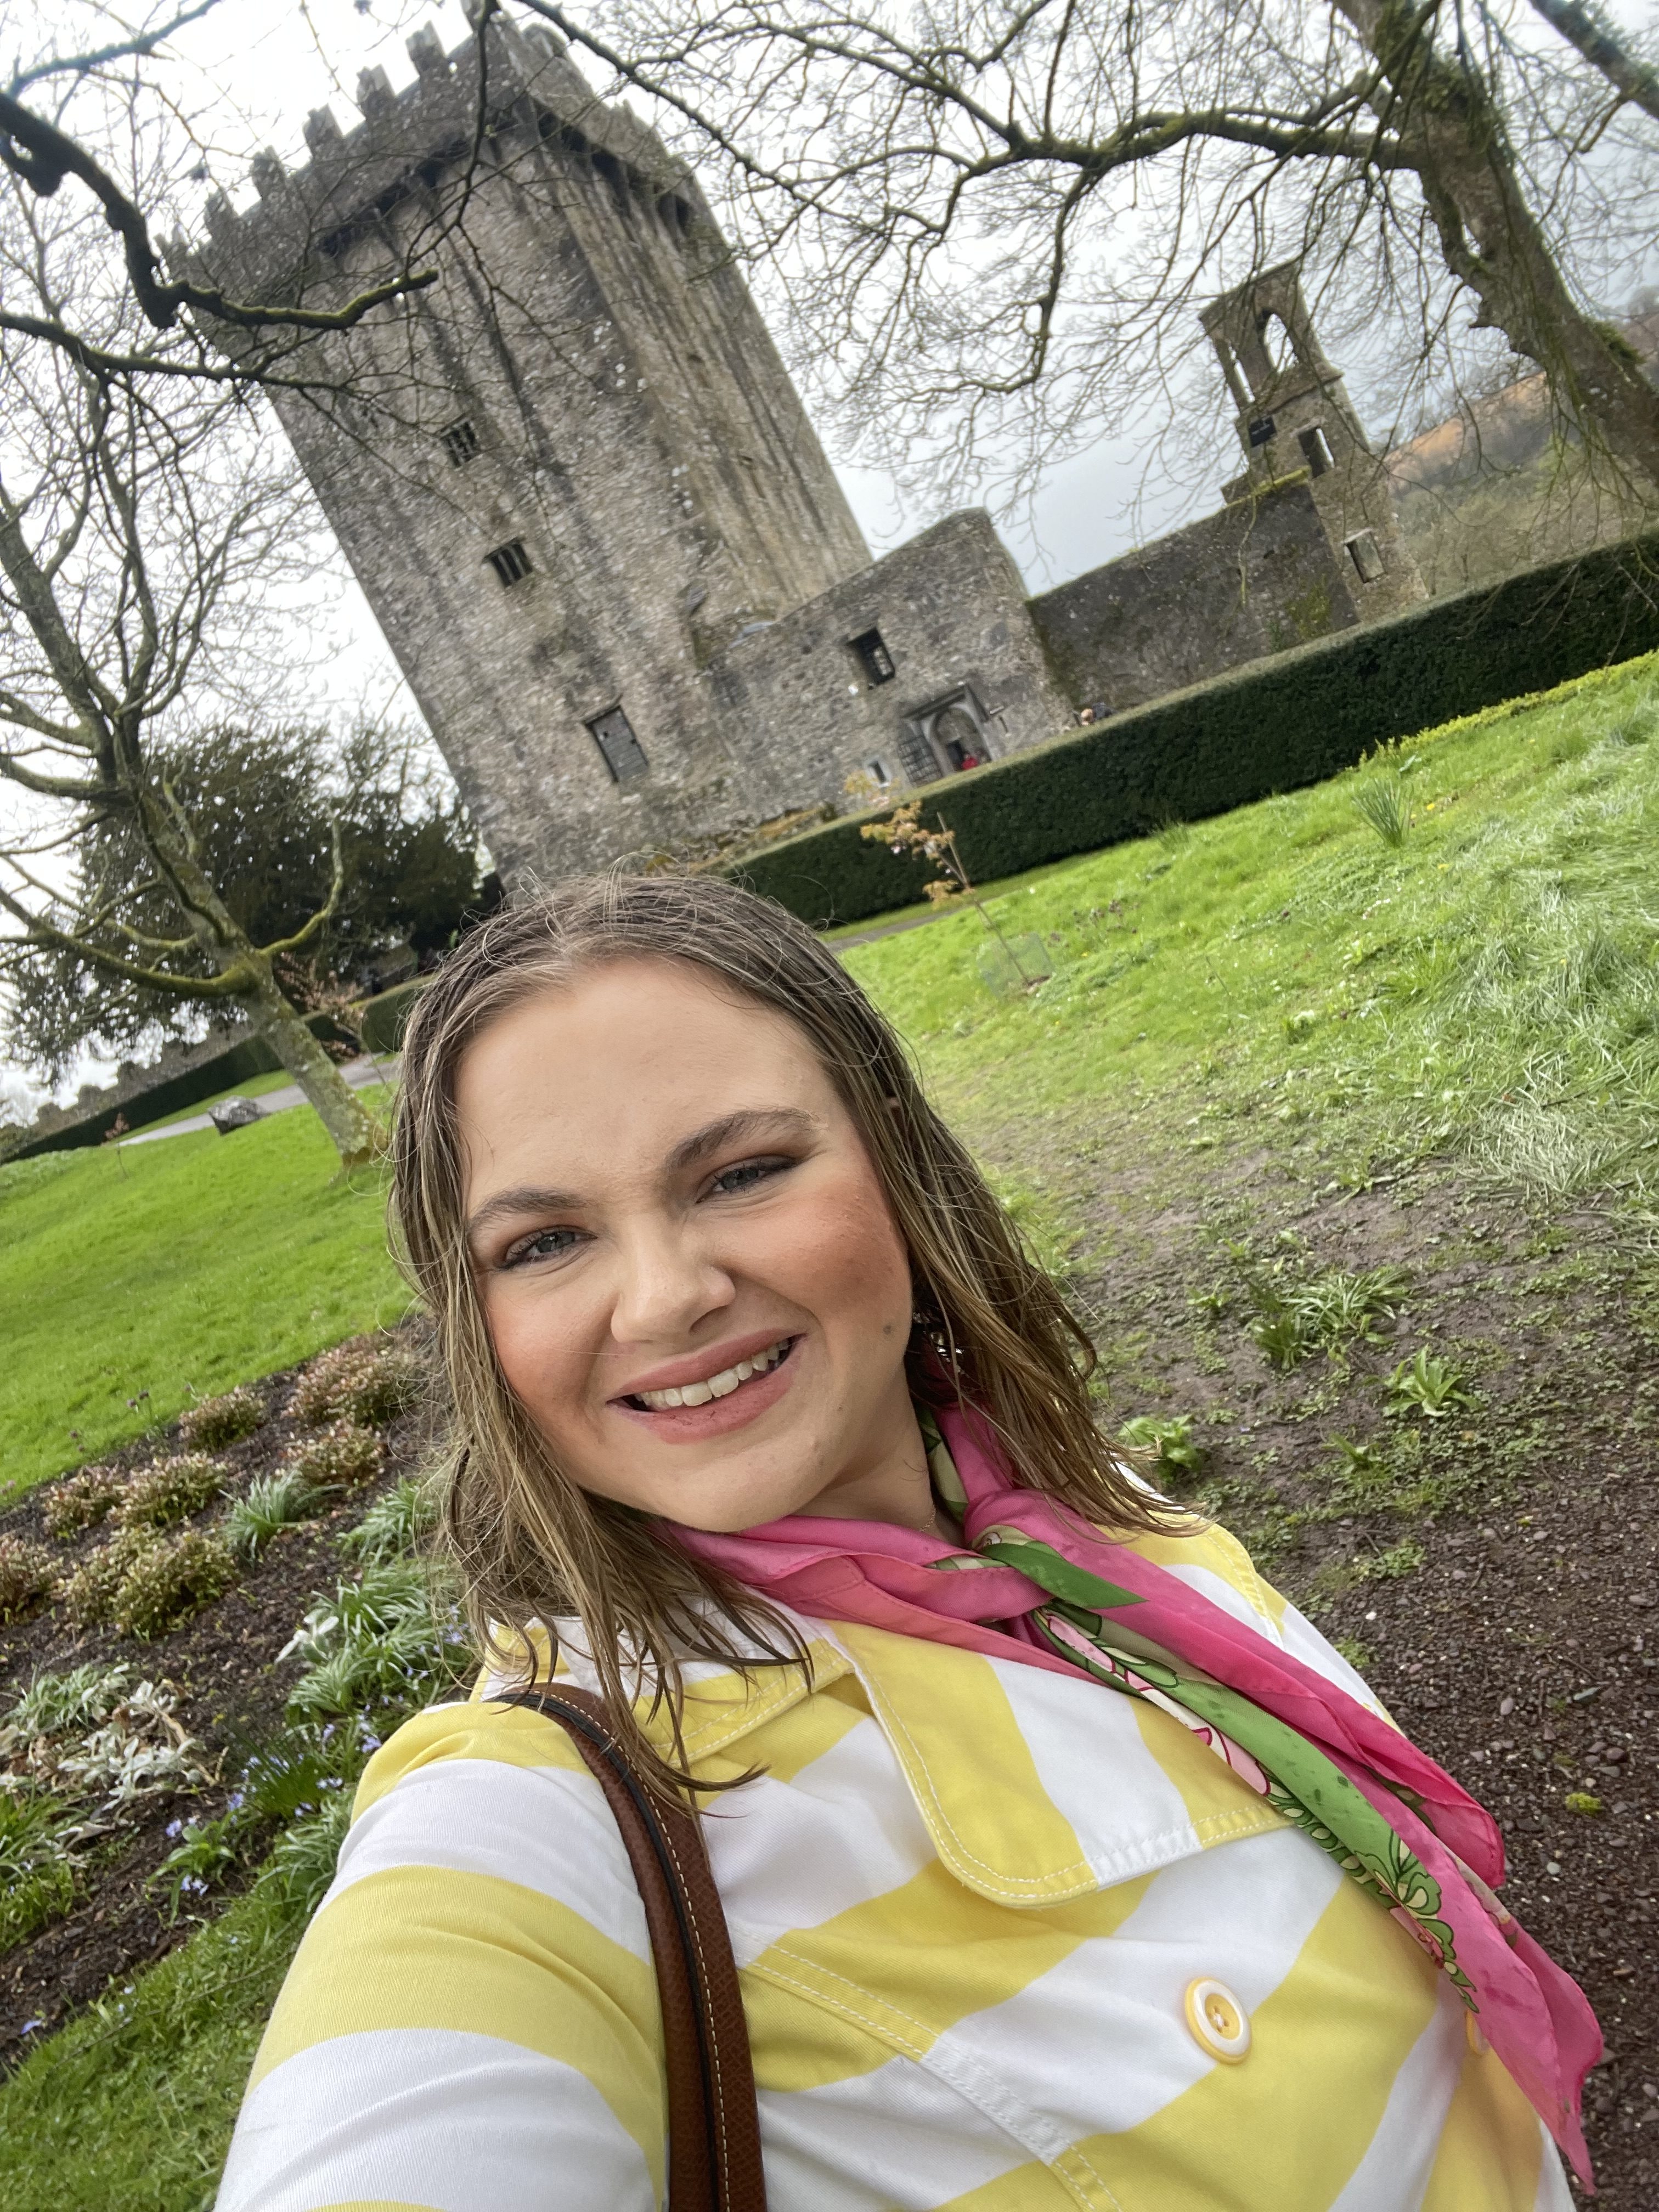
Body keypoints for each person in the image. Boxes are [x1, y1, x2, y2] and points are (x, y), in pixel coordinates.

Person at [216, 874, 1597, 2211]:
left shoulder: (1083, 1516)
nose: (665, 1298)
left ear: (896, 1164)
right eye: (544, 1244)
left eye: (742, 1172)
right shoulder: (543, 1813)